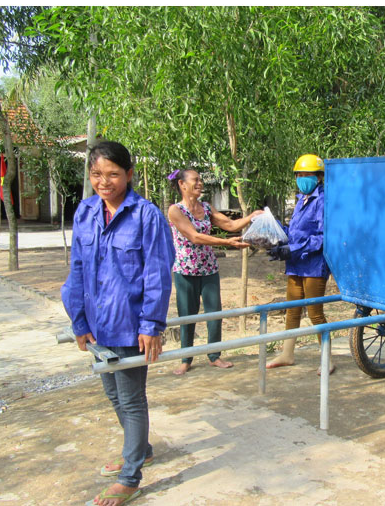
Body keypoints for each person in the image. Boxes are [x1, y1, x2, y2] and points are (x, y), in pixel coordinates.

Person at [62, 140, 174, 506]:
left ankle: (130, 477)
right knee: (113, 394)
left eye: (112, 174)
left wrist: (151, 325)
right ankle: (140, 449)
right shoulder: (85, 212)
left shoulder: (146, 215)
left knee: (130, 399)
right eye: (96, 174)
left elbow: (157, 273)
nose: (103, 182)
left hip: (130, 324)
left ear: (129, 174)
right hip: (97, 324)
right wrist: (78, 321)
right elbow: (77, 269)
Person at [167, 167, 262, 374]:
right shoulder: (175, 210)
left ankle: (214, 355)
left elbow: (230, 224)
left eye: (200, 180)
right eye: (195, 180)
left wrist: (251, 217)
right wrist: (227, 243)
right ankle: (186, 359)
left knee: (214, 313)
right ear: (182, 184)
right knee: (187, 316)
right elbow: (195, 237)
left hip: (209, 268)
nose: (200, 183)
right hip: (185, 271)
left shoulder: (206, 208)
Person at [266, 154, 333, 373]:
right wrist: (276, 232)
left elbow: (323, 237)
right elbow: (295, 232)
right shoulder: (301, 200)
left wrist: (293, 249)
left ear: (319, 177)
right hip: (295, 263)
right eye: (299, 175)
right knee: (292, 309)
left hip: (314, 265)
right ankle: (287, 354)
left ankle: (327, 359)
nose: (302, 179)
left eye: (307, 174)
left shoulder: (322, 201)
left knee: (315, 312)